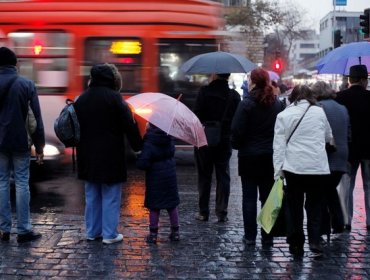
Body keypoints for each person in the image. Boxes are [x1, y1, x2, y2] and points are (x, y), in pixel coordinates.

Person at [74, 63, 143, 244]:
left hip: (87, 154)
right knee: (111, 195)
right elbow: (130, 125)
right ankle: (109, 234)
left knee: (92, 195)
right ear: (112, 79)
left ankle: (92, 231)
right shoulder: (115, 98)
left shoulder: (82, 98)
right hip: (111, 154)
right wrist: (138, 147)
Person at [273, 85, 333, 257]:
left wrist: (278, 173)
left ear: (293, 98)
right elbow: (328, 136)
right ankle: (314, 240)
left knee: (294, 206)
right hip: (317, 167)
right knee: (315, 205)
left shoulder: (283, 115)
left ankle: (296, 243)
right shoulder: (319, 112)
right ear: (310, 97)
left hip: (294, 167)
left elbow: (278, 148)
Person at [231, 68, 284, 246]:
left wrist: (238, 144)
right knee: (268, 198)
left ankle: (250, 236)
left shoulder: (246, 104)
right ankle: (267, 236)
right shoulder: (277, 104)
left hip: (249, 157)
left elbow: (237, 131)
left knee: (249, 198)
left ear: (253, 82)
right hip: (269, 157)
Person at [0, 47, 45, 243]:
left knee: (1, 183)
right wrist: (40, 146)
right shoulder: (26, 84)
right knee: (21, 183)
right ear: (15, 64)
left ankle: (3, 229)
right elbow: (36, 118)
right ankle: (24, 230)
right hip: (20, 142)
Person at [193, 73, 241, 222]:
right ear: (228, 76)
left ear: (214, 75)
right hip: (224, 140)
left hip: (205, 139)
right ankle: (221, 212)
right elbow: (236, 119)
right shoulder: (234, 95)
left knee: (204, 176)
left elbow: (196, 115)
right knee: (223, 176)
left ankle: (203, 212)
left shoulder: (204, 92)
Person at [311, 81, 350, 235]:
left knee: (322, 191)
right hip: (342, 154)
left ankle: (326, 225)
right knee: (330, 189)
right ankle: (338, 222)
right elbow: (349, 133)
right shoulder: (342, 108)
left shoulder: (319, 108)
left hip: (326, 155)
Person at [335, 64, 370, 231]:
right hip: (369, 148)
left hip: (349, 149)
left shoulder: (340, 97)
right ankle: (369, 221)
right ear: (364, 80)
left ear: (350, 79)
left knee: (347, 184)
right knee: (369, 185)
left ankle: (346, 220)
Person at [136, 123, 180, 244]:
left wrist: (138, 159)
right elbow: (172, 152)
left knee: (154, 207)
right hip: (170, 176)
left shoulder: (149, 141)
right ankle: (175, 232)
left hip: (155, 178)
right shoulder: (169, 138)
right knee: (172, 205)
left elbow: (143, 163)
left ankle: (153, 234)